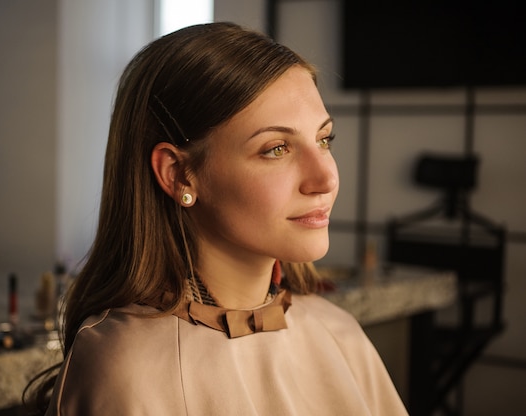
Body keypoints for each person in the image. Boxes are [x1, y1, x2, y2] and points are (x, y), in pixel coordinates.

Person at [25, 22, 408, 415]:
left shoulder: (341, 334)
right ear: (178, 174)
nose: (326, 179)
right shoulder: (125, 368)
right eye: (277, 148)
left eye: (324, 140)